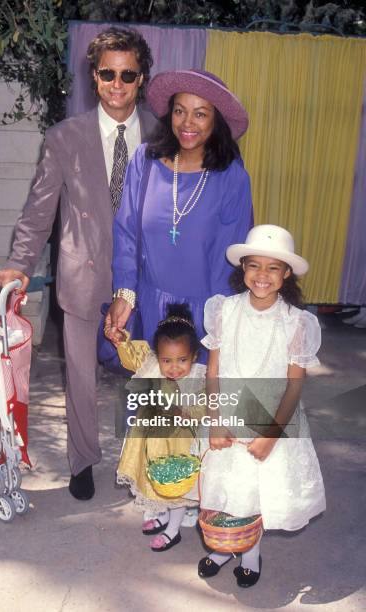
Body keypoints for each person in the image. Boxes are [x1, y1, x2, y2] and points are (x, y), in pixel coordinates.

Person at [0, 27, 157, 501]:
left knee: (149, 374)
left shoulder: (165, 135)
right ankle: (83, 461)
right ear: (93, 76)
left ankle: (146, 458)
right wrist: (19, 262)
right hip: (82, 274)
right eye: (107, 73)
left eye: (127, 74)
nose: (117, 84)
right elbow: (38, 210)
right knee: (82, 379)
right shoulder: (64, 138)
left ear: (142, 77)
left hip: (145, 280)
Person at [197, 224, 326, 588]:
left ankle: (250, 552)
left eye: (273, 268)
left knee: (254, 491)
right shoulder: (224, 310)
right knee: (223, 486)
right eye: (254, 266)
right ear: (243, 270)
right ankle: (224, 548)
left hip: (272, 419)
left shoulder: (297, 322)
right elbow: (214, 370)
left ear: (286, 274)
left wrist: (271, 435)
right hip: (227, 411)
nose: (262, 276)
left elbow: (294, 385)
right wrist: (216, 419)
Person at [105, 69, 253, 359]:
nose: (187, 123)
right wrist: (125, 292)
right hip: (149, 307)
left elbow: (233, 256)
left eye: (200, 114)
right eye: (179, 111)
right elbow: (126, 233)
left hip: (205, 313)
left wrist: (220, 321)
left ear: (216, 120)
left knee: (194, 402)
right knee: (151, 400)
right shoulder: (144, 162)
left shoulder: (232, 177)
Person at [116, 303, 206, 551]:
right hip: (150, 437)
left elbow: (204, 409)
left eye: (182, 360)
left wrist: (184, 412)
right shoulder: (151, 363)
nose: (174, 367)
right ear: (157, 355)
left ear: (194, 357)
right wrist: (121, 340)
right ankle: (162, 515)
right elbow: (130, 356)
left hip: (178, 443)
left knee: (174, 485)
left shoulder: (198, 378)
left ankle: (173, 530)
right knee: (152, 478)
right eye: (167, 360)